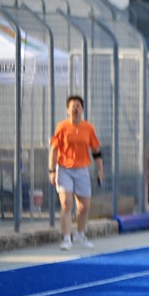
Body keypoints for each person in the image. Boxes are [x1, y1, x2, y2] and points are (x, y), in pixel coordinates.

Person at [48, 95, 103, 251]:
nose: (75, 108)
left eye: (78, 106)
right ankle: (67, 238)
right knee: (66, 203)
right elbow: (54, 149)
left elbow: (96, 150)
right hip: (64, 169)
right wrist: (52, 170)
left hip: (82, 170)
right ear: (67, 110)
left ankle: (80, 234)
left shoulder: (88, 128)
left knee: (84, 207)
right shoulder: (62, 127)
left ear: (82, 109)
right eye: (72, 106)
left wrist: (100, 169)